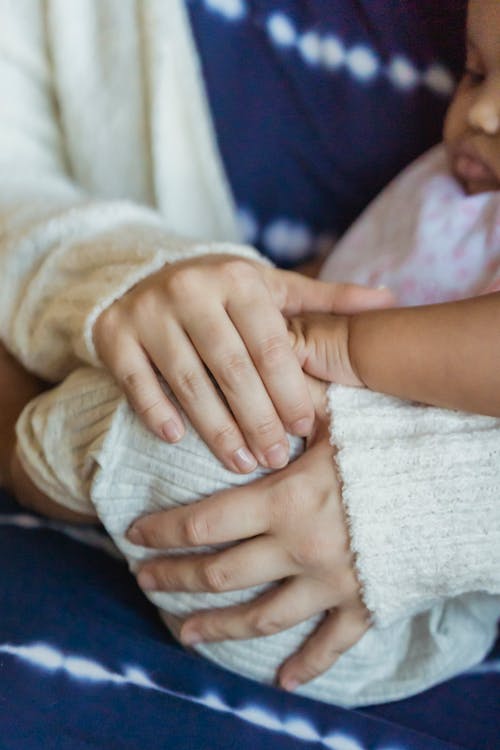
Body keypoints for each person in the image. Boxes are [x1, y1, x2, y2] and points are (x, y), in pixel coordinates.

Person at [3, 0, 499, 709]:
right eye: (475, 72)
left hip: (415, 600)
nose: (481, 114)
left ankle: (22, 434)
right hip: (295, 456)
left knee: (168, 427)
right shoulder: (453, 186)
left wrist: (329, 345)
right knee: (197, 393)